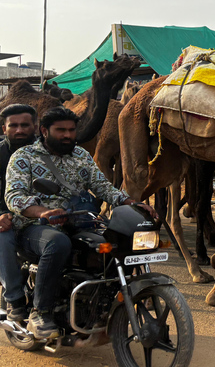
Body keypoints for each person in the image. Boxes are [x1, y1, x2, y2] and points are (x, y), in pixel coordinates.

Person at [5, 106, 154, 339]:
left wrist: (130, 202)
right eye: (60, 130)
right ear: (44, 130)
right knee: (58, 243)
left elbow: (102, 186)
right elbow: (15, 196)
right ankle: (40, 312)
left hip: (79, 221)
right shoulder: (23, 157)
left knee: (113, 245)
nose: (67, 135)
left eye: (71, 130)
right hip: (34, 227)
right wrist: (43, 212)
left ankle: (101, 303)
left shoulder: (81, 155)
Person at [0, 104, 38, 323]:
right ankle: (15, 300)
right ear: (4, 128)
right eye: (13, 125)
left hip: (42, 215)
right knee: (3, 236)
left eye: (25, 125)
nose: (19, 130)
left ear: (35, 126)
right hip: (7, 216)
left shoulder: (47, 154)